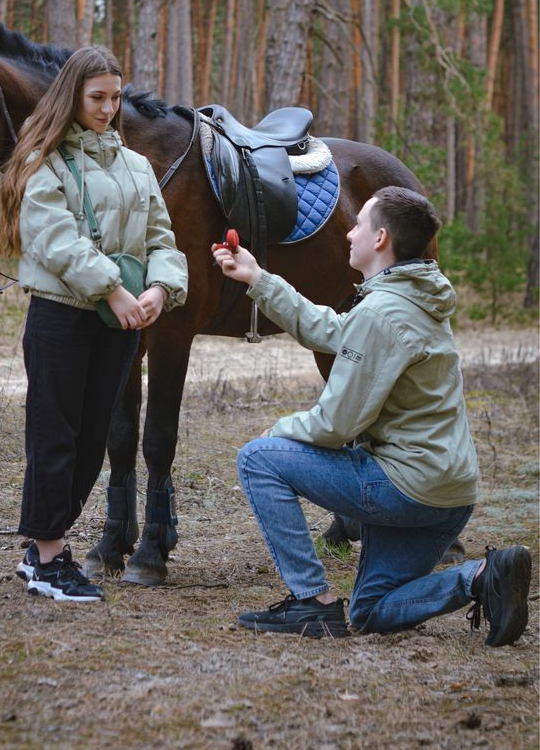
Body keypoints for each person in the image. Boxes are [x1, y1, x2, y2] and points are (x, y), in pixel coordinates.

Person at [212, 186, 531, 645]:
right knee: (372, 610)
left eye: (358, 223)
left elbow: (335, 426)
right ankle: (481, 577)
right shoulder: (413, 299)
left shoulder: (382, 312)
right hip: (449, 493)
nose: (349, 233)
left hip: (406, 488)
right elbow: (334, 330)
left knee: (258, 458)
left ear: (380, 238)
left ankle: (312, 601)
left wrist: (277, 431)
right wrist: (258, 279)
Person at [0, 46, 187, 602]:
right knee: (56, 434)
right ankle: (48, 558)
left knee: (92, 437)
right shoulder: (43, 162)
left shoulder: (136, 165)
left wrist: (158, 289)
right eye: (96, 97)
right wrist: (114, 289)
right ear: (72, 97)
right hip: (62, 317)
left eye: (115, 98)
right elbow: (57, 241)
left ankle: (44, 548)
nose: (107, 108)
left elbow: (162, 239)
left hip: (120, 322)